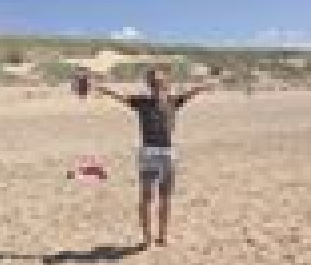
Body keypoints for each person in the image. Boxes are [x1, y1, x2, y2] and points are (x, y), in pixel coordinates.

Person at [78, 63, 214, 250]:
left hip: (167, 153)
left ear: (167, 83)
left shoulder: (173, 101)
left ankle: (162, 236)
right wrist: (98, 86)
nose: (157, 85)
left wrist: (205, 85)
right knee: (146, 197)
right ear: (149, 84)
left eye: (160, 81)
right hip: (148, 153)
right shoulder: (143, 103)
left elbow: (192, 92)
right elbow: (119, 96)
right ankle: (147, 239)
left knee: (165, 197)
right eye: (154, 82)